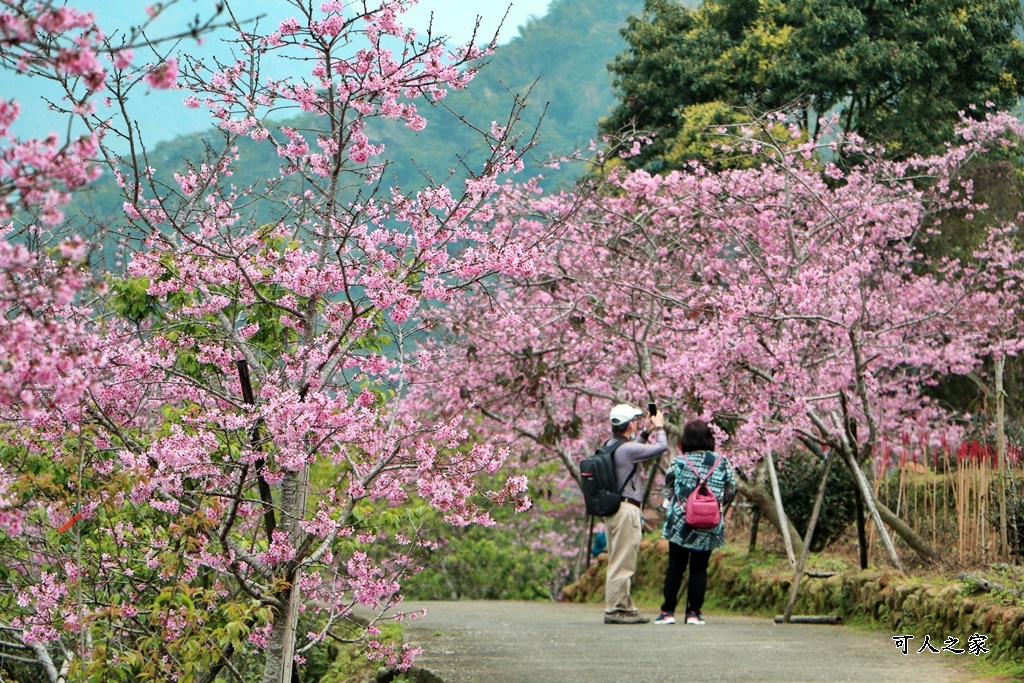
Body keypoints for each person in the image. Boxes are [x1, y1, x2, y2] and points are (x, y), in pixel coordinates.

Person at [655, 419, 736, 626]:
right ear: (709, 438)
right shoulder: (722, 461)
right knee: (699, 568)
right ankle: (693, 613)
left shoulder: (679, 462)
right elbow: (731, 490)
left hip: (681, 523)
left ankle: (668, 612)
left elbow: (668, 489)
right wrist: (713, 503)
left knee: (676, 566)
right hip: (709, 523)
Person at [602, 402, 667, 625]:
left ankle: (625, 607)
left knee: (618, 558)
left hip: (613, 510)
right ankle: (615, 609)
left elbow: (633, 451)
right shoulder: (627, 449)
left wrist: (646, 431)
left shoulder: (610, 445)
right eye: (635, 421)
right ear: (630, 425)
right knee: (623, 561)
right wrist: (659, 428)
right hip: (627, 510)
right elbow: (661, 448)